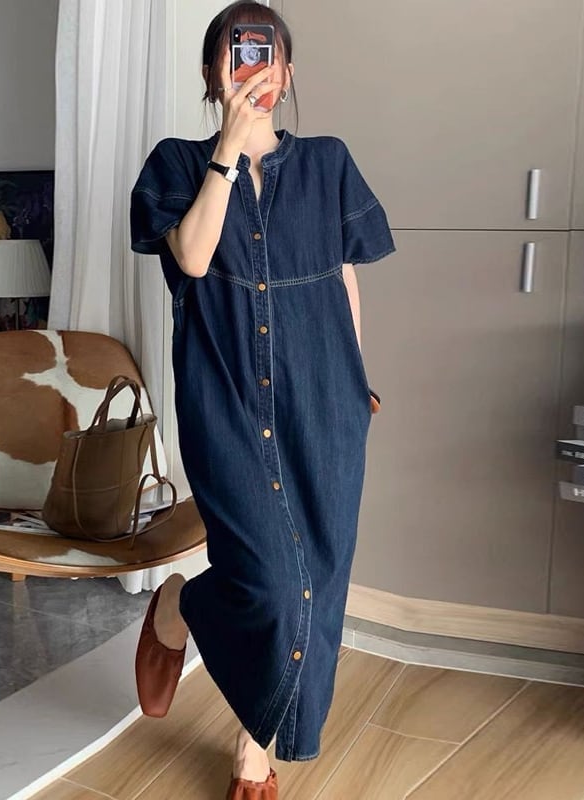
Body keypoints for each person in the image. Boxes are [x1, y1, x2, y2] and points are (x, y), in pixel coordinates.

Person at [130, 2, 394, 797]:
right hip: (225, 405)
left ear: (290, 70)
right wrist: (228, 150)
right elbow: (194, 256)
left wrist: (357, 380)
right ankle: (180, 606)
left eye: (270, 54)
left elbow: (345, 277)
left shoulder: (328, 162)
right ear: (213, 73)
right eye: (241, 53)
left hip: (327, 401)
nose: (258, 69)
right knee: (271, 583)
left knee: (319, 581)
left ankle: (255, 750)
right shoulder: (177, 164)